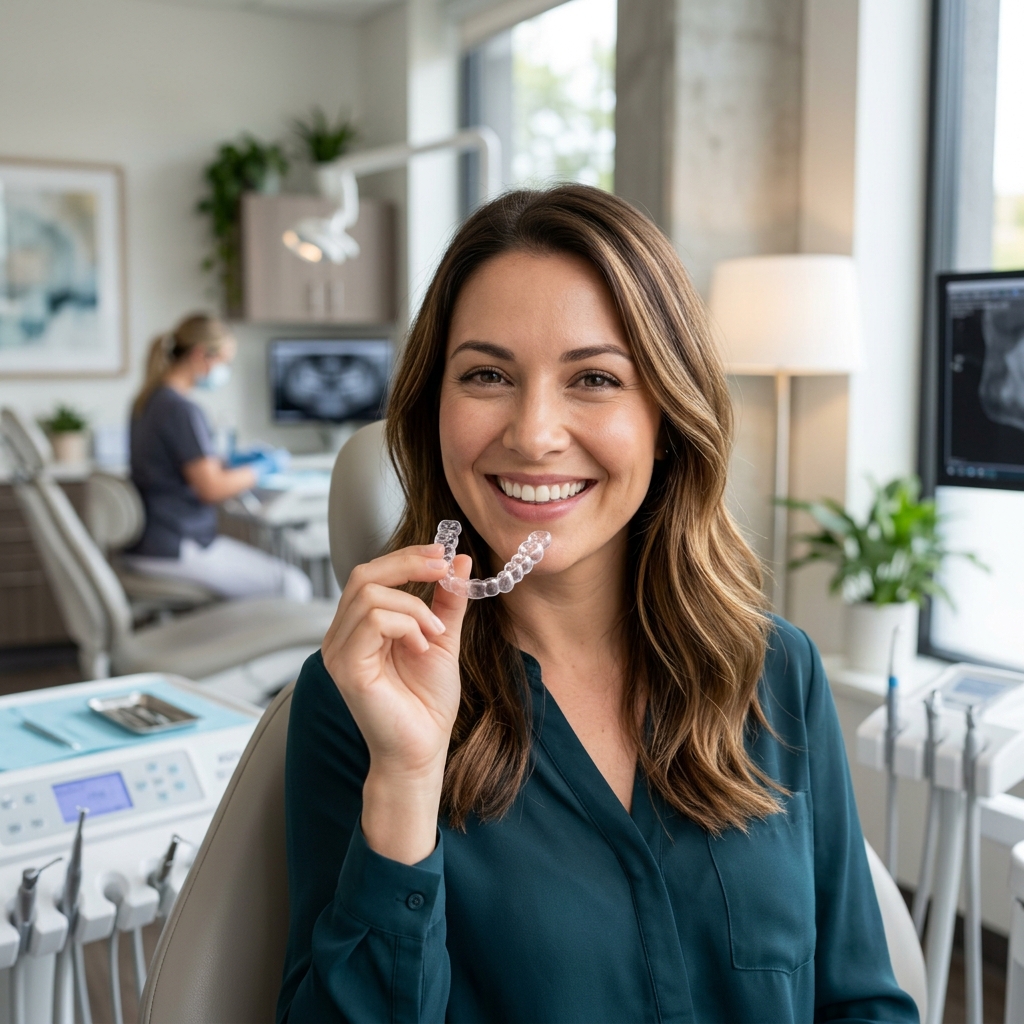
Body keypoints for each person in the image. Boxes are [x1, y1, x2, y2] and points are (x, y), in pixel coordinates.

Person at [277, 187, 918, 1022]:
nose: (535, 432)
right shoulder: (356, 703)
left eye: (593, 377)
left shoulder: (774, 668)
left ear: (667, 413)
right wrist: (404, 779)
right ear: (435, 406)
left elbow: (860, 1001)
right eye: (487, 374)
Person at [125, 313, 312, 602]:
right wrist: (263, 467)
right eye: (224, 362)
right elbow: (211, 488)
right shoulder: (181, 409)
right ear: (201, 354)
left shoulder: (149, 400)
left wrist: (228, 461)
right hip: (178, 546)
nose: (224, 371)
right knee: (292, 584)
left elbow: (177, 465)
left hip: (151, 543)